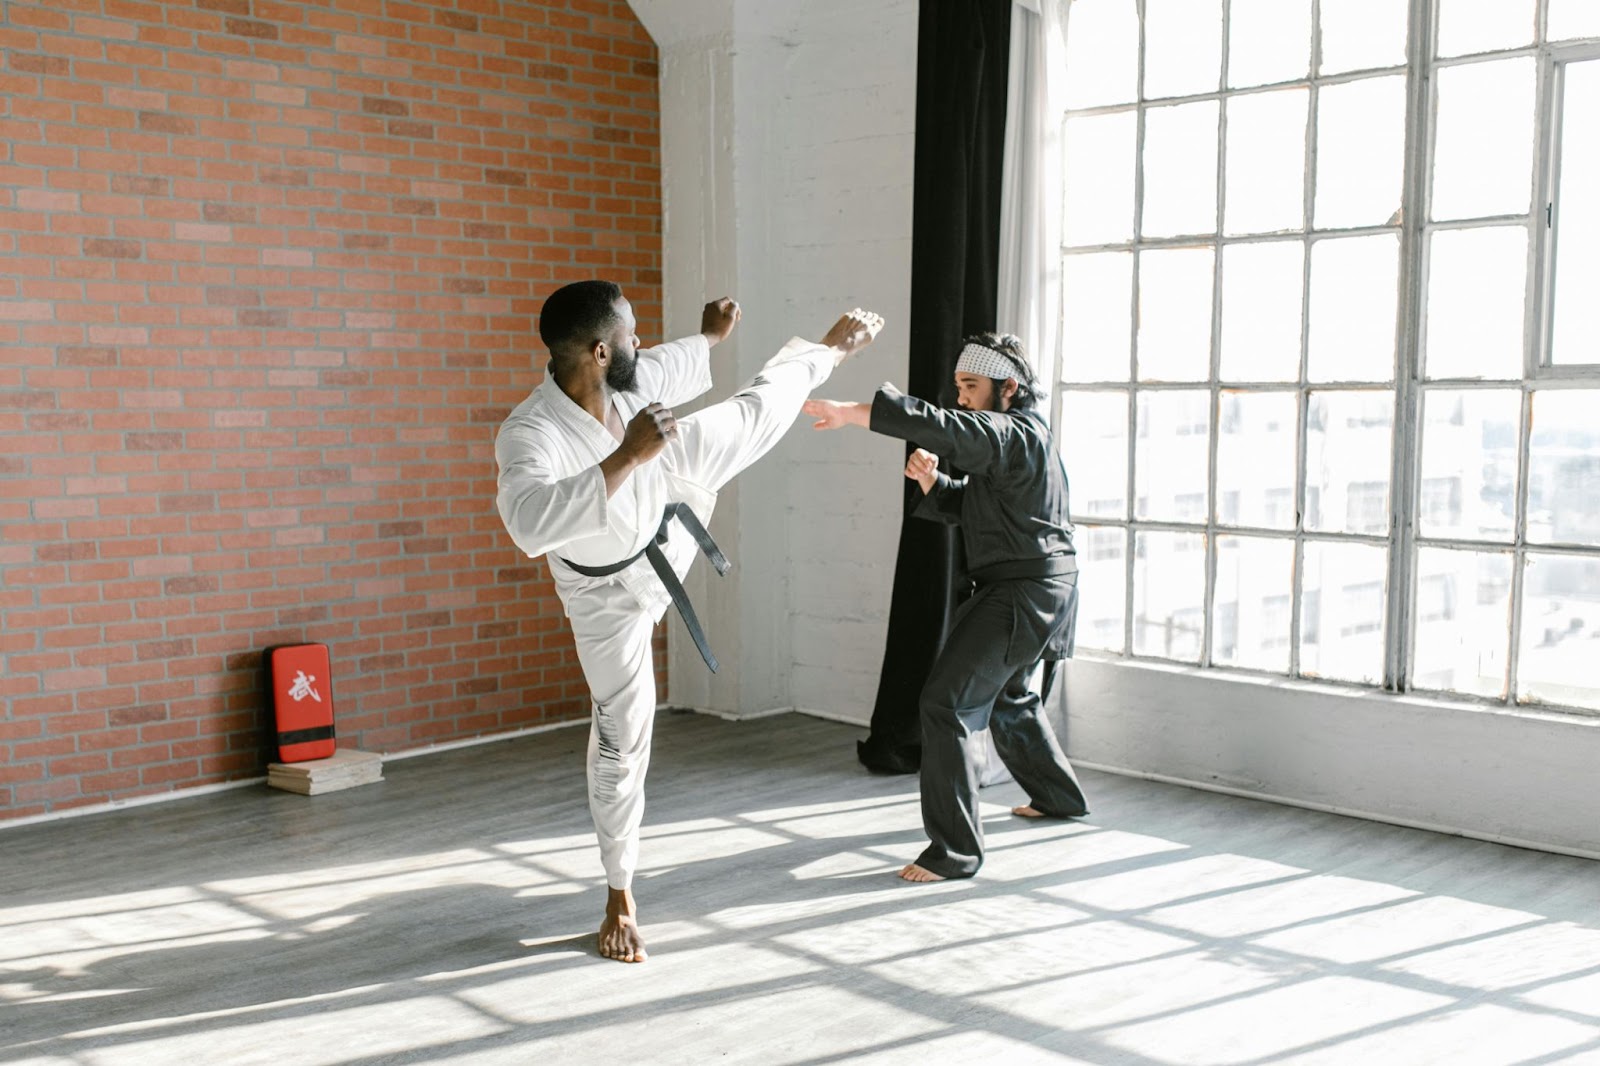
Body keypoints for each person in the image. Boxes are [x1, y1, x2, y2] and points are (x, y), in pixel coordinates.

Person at [495, 279, 883, 960]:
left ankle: (827, 350)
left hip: (665, 507)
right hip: (604, 595)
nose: (639, 343)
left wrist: (709, 339)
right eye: (628, 334)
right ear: (595, 351)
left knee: (755, 409)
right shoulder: (531, 432)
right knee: (620, 744)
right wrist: (627, 454)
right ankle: (619, 894)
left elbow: (665, 362)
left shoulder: (627, 374)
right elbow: (528, 523)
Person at [801, 332, 1088, 882]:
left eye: (971, 386)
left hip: (1023, 592)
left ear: (1009, 388)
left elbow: (944, 427)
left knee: (945, 704)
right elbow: (979, 512)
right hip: (1041, 586)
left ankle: (954, 851)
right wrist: (935, 481)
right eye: (957, 386)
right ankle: (1059, 797)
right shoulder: (1021, 441)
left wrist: (852, 413)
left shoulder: (1014, 434)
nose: (962, 397)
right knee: (1011, 697)